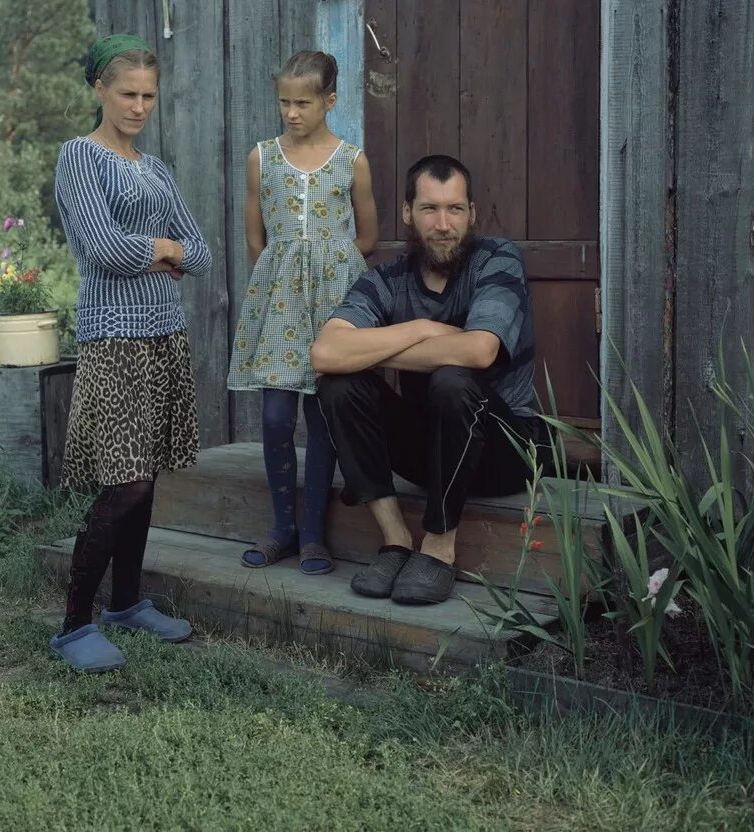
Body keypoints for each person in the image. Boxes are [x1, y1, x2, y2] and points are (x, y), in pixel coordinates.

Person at [311, 154, 544, 606]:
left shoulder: (497, 259)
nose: (443, 224)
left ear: (472, 213)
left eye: (455, 209)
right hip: (428, 453)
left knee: (453, 380)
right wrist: (422, 329)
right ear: (406, 213)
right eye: (429, 209)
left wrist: (382, 345)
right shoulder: (387, 280)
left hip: (507, 452)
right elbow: (325, 353)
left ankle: (438, 547)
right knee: (338, 383)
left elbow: (480, 350)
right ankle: (397, 540)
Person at [48, 34, 212, 672]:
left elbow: (199, 251)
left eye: (149, 95)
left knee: (146, 480)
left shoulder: (158, 169)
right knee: (125, 480)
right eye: (127, 93)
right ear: (99, 90)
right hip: (112, 335)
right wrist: (163, 249)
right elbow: (104, 250)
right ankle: (72, 626)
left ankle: (126, 604)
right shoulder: (79, 159)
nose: (140, 106)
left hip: (163, 332)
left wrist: (170, 250)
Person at [227, 50, 378, 575]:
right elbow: (254, 239)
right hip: (280, 302)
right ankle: (281, 528)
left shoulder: (351, 159)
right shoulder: (262, 158)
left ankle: (313, 533)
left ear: (329, 101)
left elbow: (368, 235)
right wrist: (286, 271)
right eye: (284, 103)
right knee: (275, 417)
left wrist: (331, 265)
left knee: (322, 417)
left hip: (334, 301)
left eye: (303, 103)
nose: (291, 113)